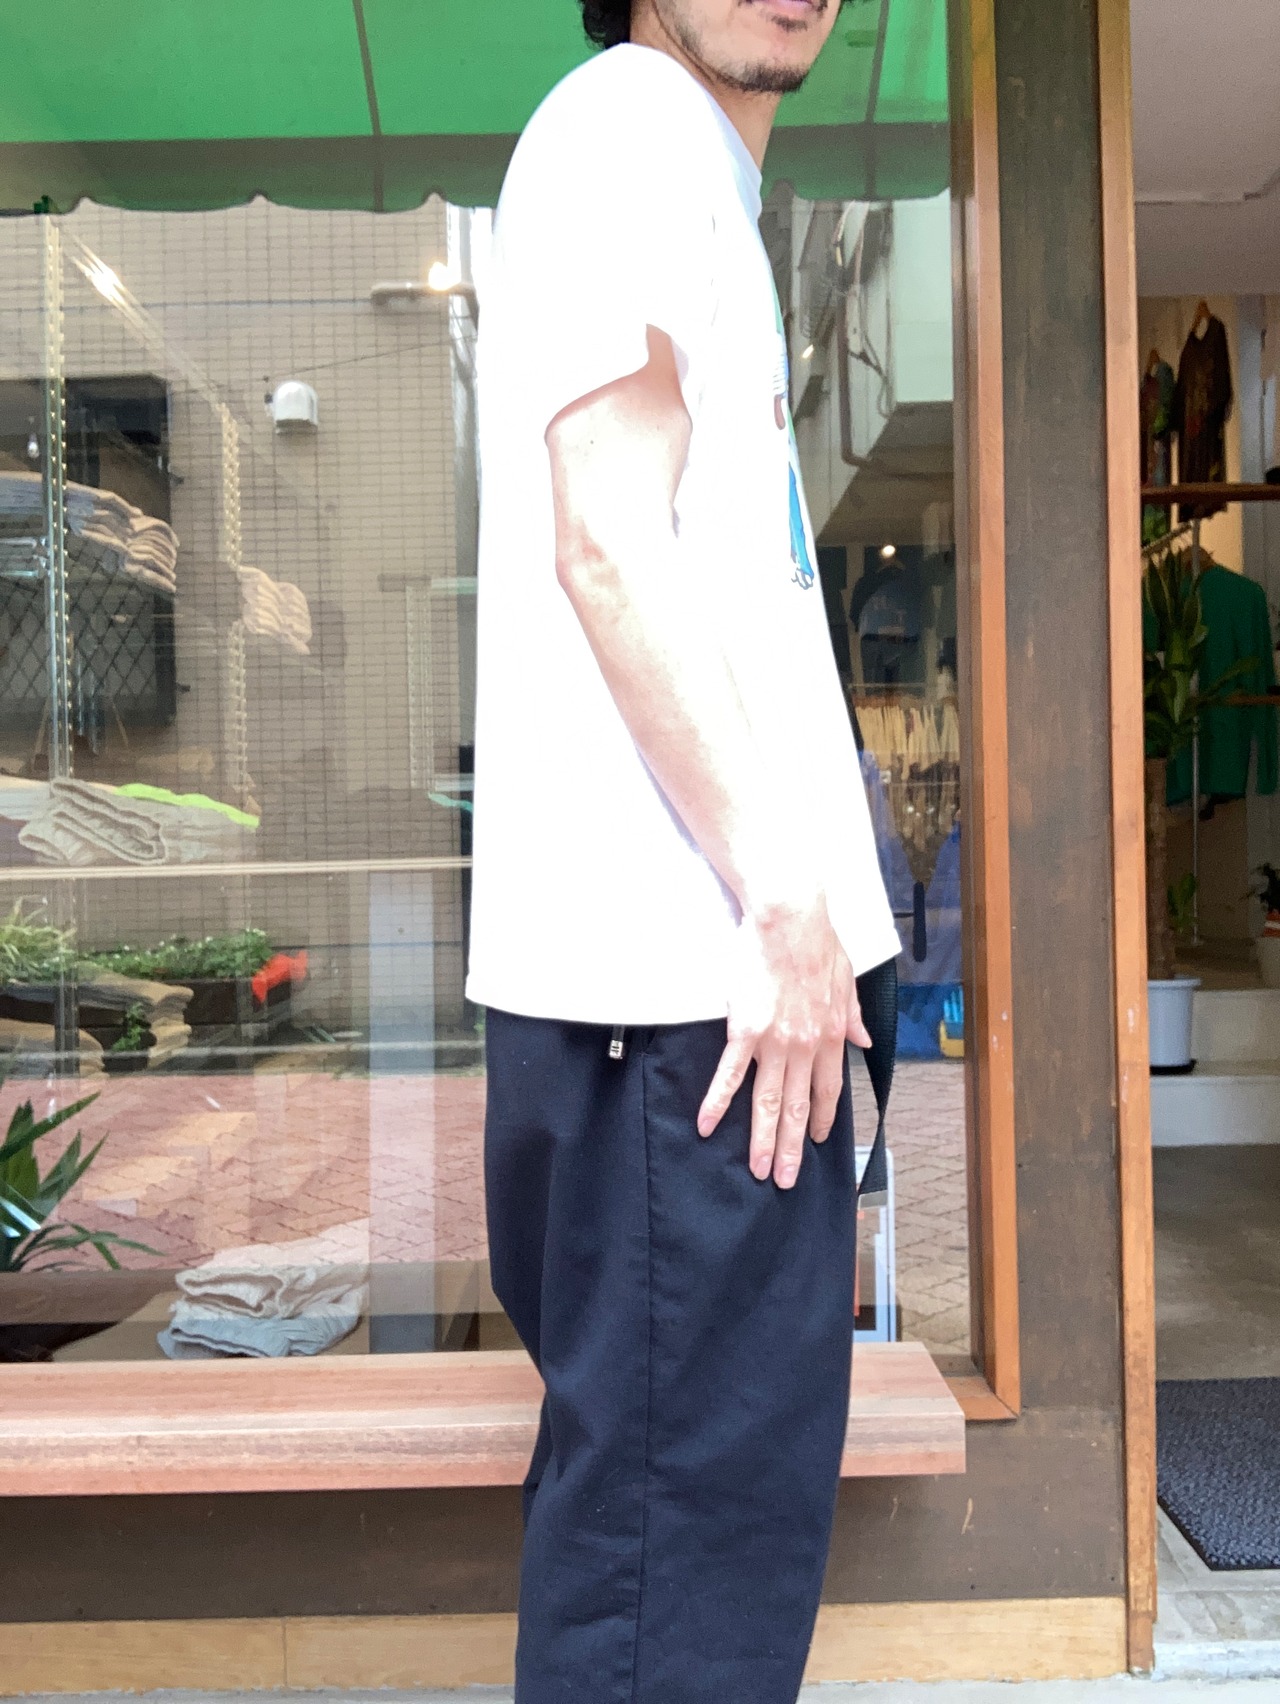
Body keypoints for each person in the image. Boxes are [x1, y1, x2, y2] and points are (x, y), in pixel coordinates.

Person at [466, 2, 899, 1699]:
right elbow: (607, 543)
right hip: (693, 1012)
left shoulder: (686, 167)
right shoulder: (632, 121)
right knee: (677, 1596)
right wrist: (787, 904)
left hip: (693, 1015)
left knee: (672, 1566)